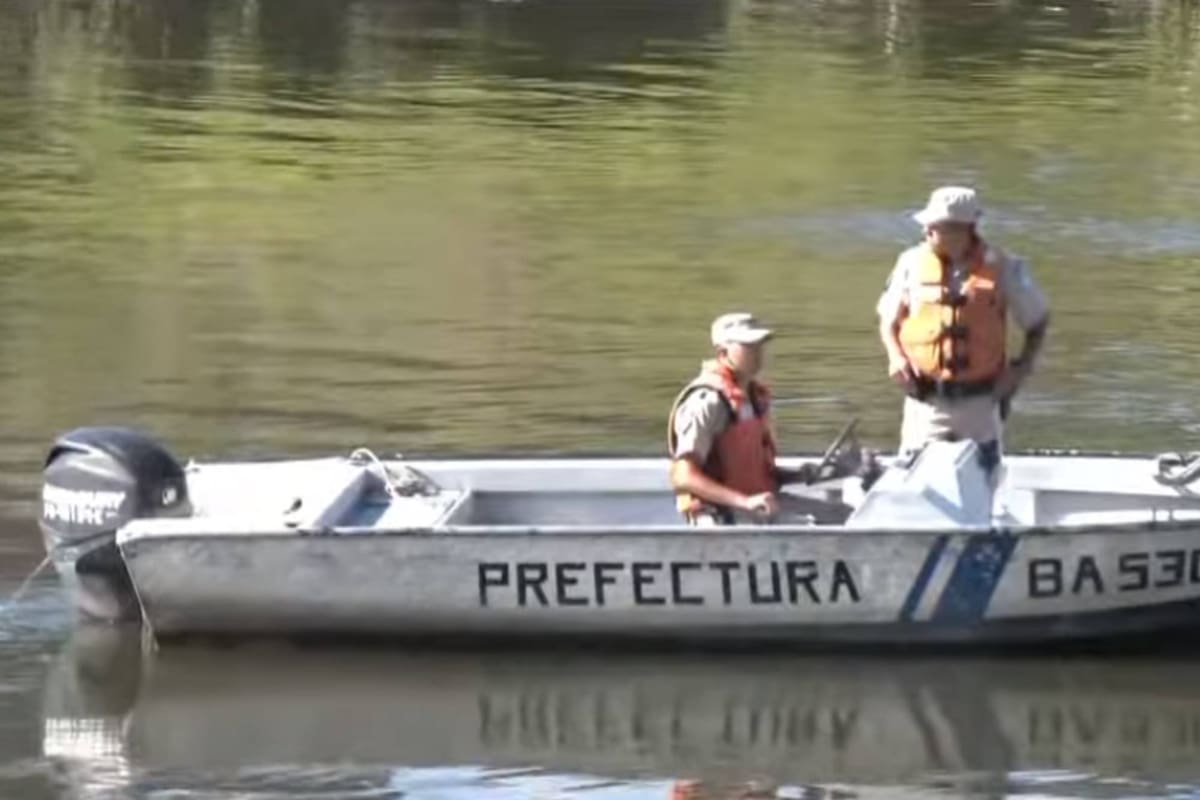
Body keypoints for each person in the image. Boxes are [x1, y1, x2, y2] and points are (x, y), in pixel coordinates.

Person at [876, 186, 1050, 463]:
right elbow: (888, 321)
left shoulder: (1005, 267)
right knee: (915, 479)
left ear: (964, 229)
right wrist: (895, 358)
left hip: (979, 404)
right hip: (926, 404)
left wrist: (1019, 371)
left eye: (936, 227)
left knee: (980, 478)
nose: (926, 232)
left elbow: (1038, 322)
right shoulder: (910, 264)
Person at [667, 313, 818, 526]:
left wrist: (802, 475)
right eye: (748, 345)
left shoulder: (754, 398)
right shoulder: (707, 401)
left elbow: (756, 473)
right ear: (723, 352)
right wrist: (745, 502)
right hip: (721, 515)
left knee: (842, 516)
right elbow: (682, 476)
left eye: (759, 345)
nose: (757, 352)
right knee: (816, 526)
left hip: (759, 505)